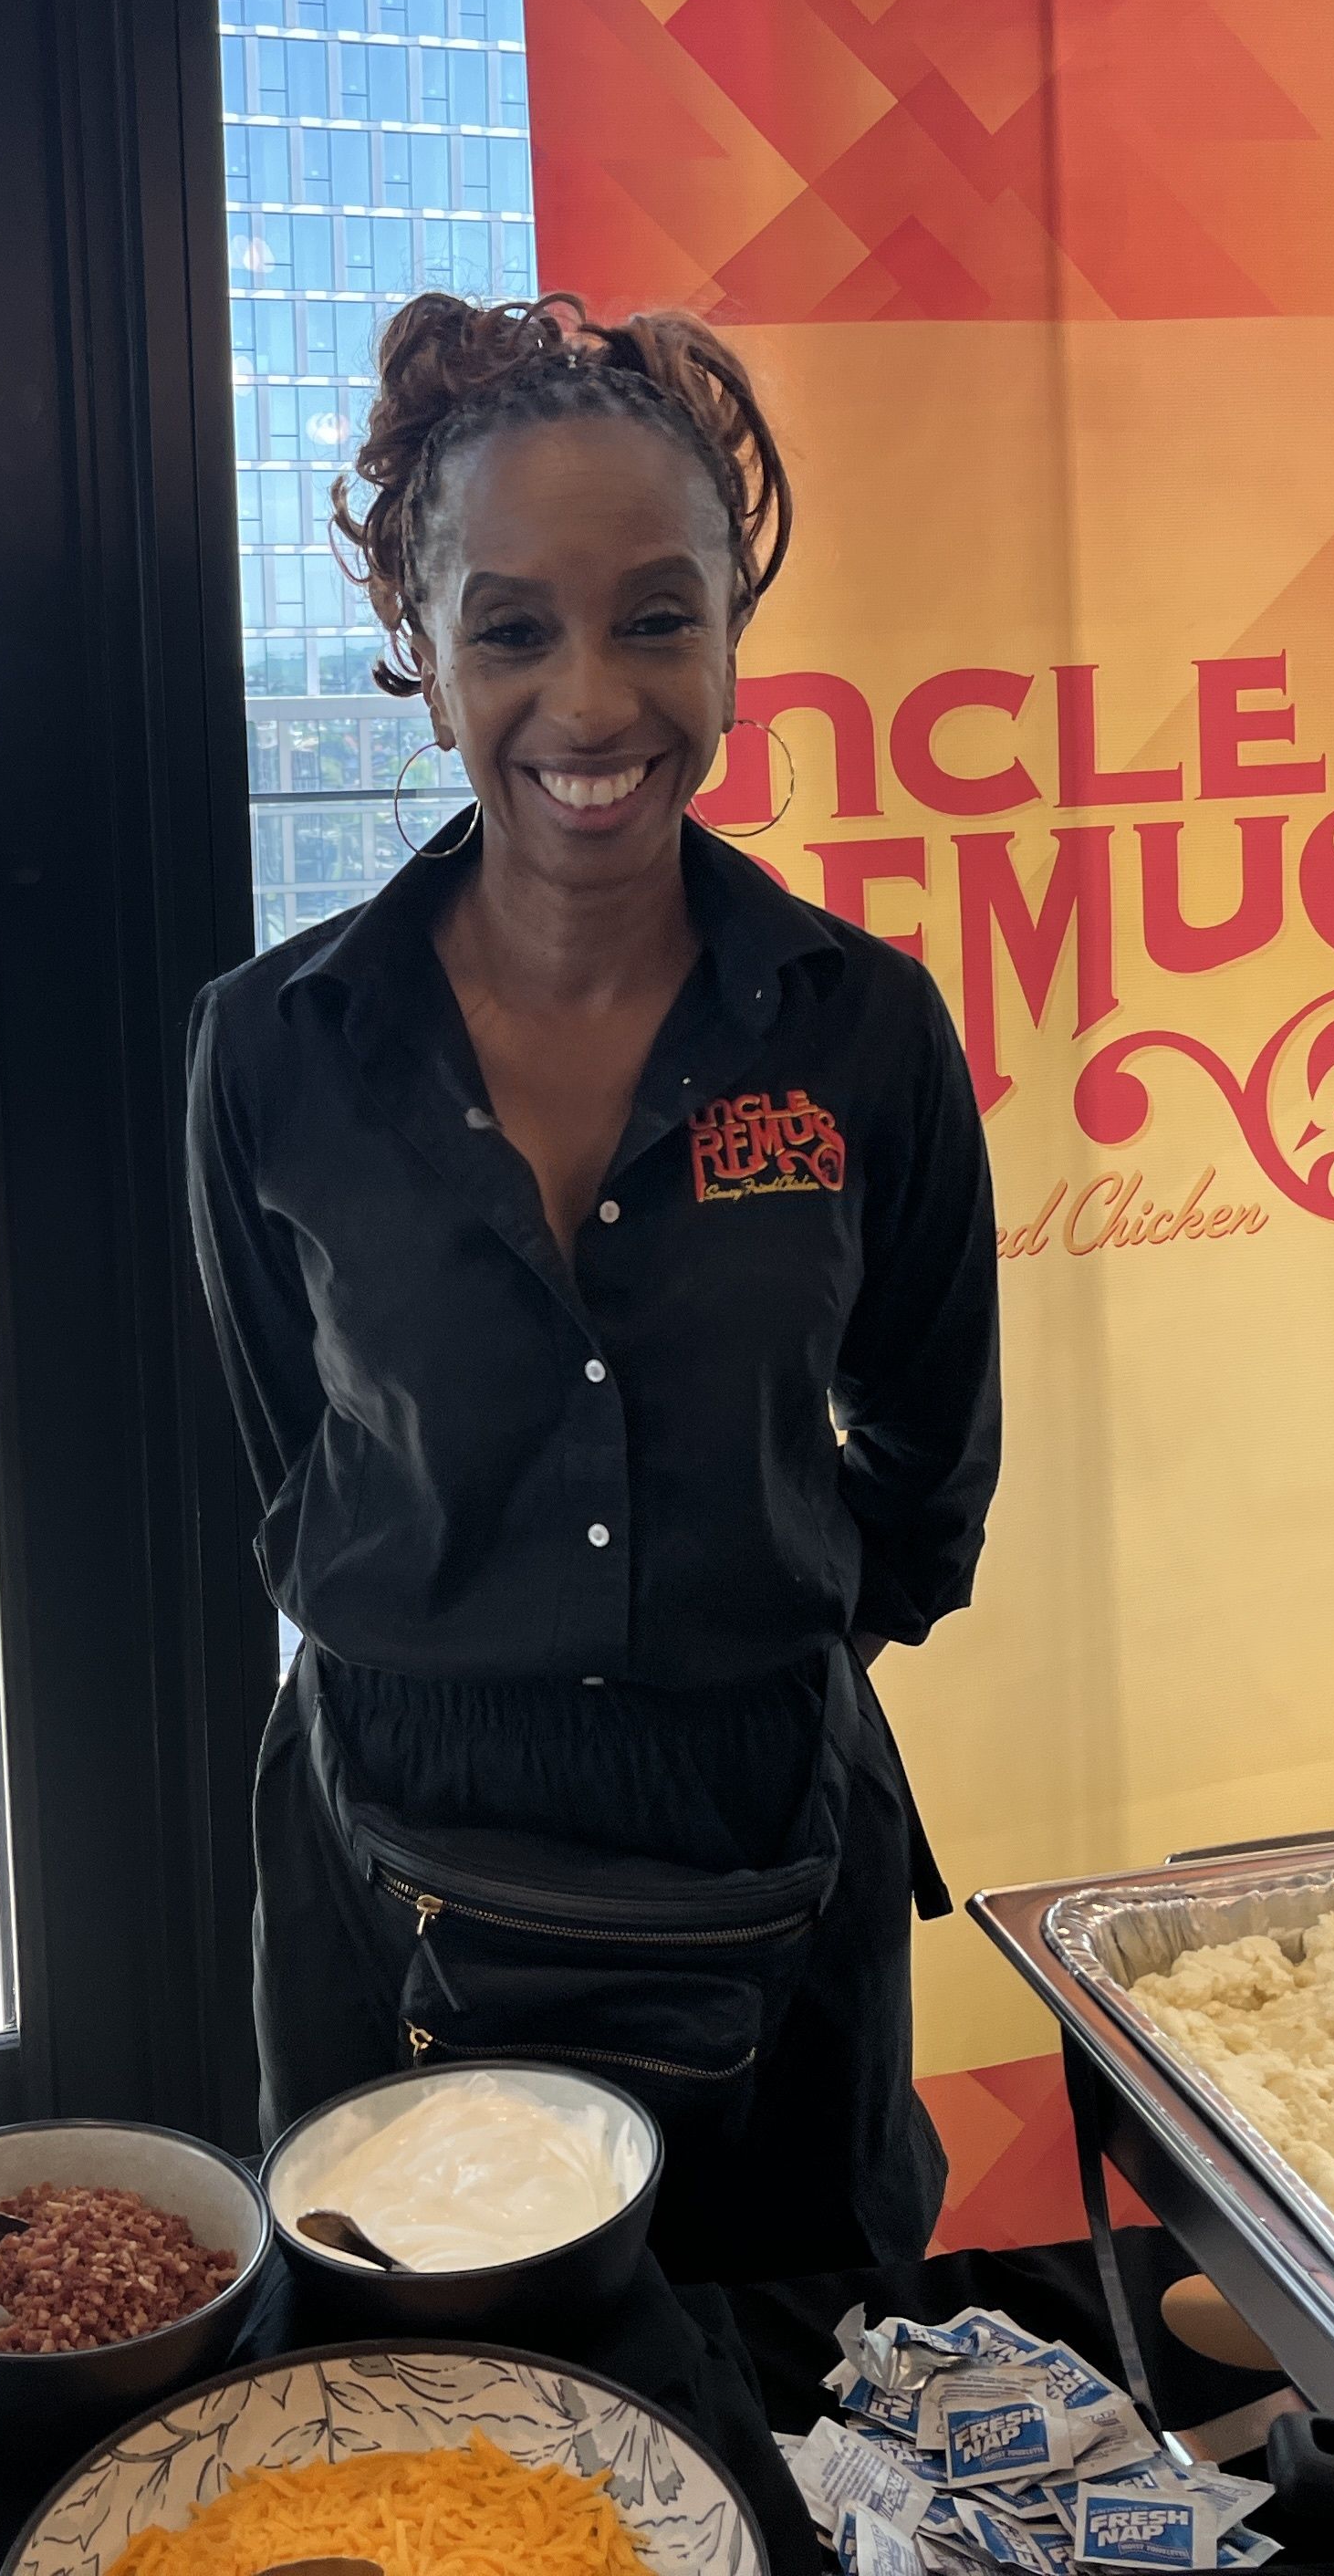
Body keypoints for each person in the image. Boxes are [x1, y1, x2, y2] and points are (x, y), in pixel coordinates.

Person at [183, 292, 1003, 2280]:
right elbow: (284, 1455)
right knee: (417, 2410)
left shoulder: (862, 1034)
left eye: (657, 616)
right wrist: (458, 1622)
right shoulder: (273, 1045)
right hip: (392, 1836)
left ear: (734, 624)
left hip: (762, 1834)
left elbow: (927, 1454)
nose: (592, 700)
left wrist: (736, 1640)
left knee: (799, 2400)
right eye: (513, 625)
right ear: (418, 641)